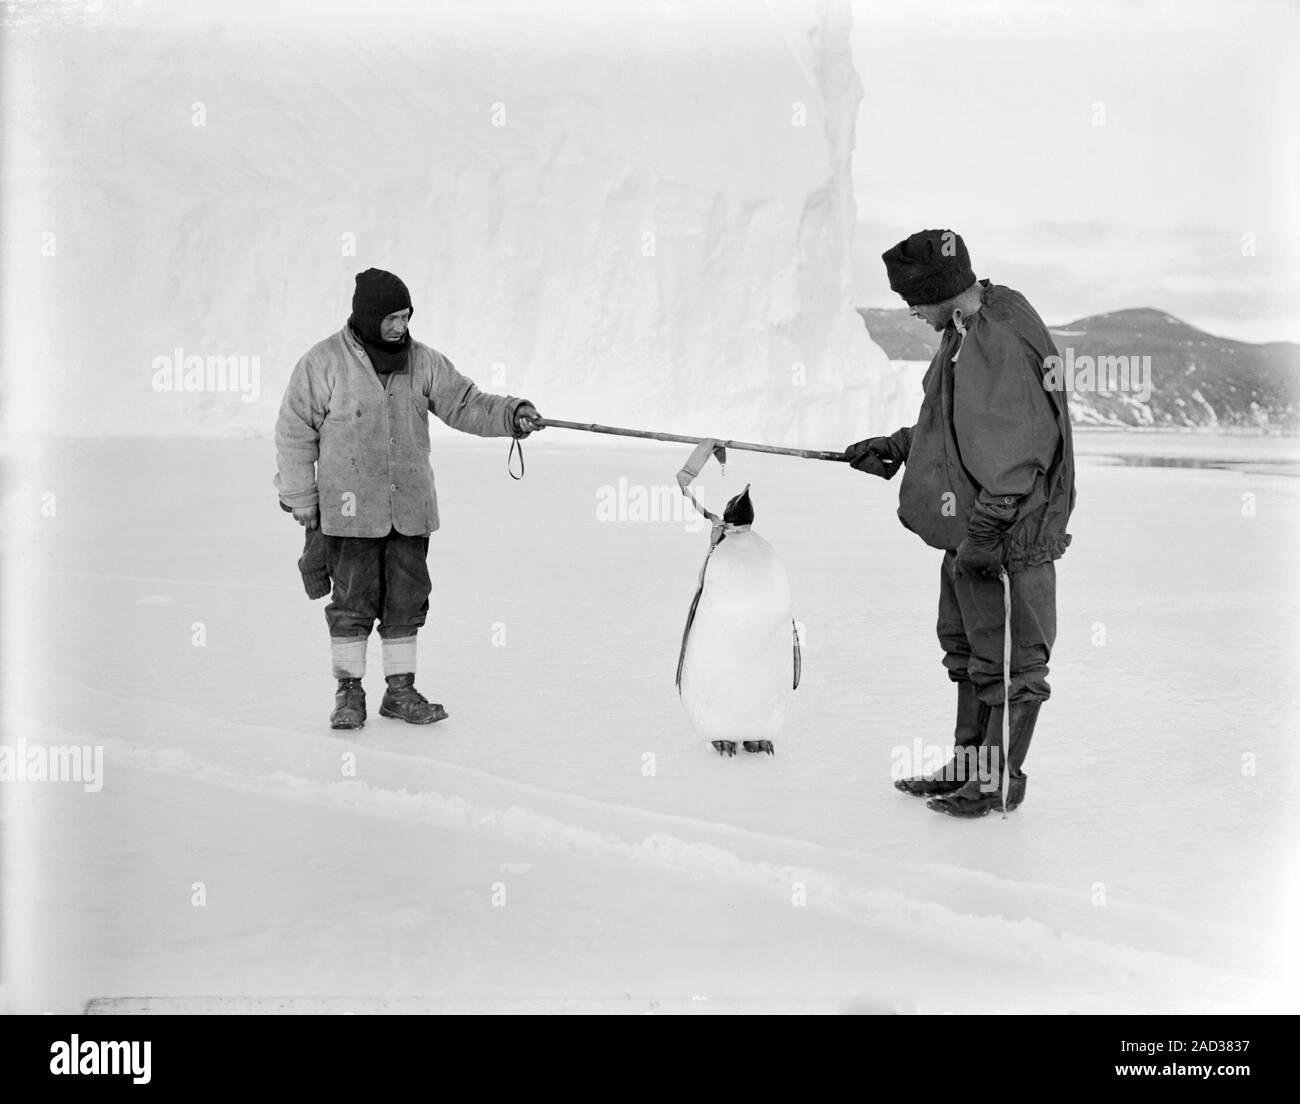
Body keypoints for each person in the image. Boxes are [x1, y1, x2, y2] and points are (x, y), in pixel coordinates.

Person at [847, 230, 1075, 817]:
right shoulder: (965, 328)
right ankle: (969, 764)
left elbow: (1017, 457)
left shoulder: (996, 339)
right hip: (975, 530)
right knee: (970, 652)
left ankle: (999, 778)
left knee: (1013, 662)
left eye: (914, 301)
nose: (912, 312)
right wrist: (900, 446)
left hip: (1008, 536)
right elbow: (955, 422)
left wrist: (982, 538)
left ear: (945, 291)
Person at [274, 268, 544, 729]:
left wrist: (511, 414)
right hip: (349, 513)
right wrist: (300, 494)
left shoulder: (423, 362)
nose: (401, 327)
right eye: (393, 318)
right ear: (369, 316)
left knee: (406, 603)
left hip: (409, 512)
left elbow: (465, 402)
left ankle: (399, 692)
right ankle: (349, 694)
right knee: (352, 605)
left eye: (406, 317)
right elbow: (294, 430)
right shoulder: (322, 364)